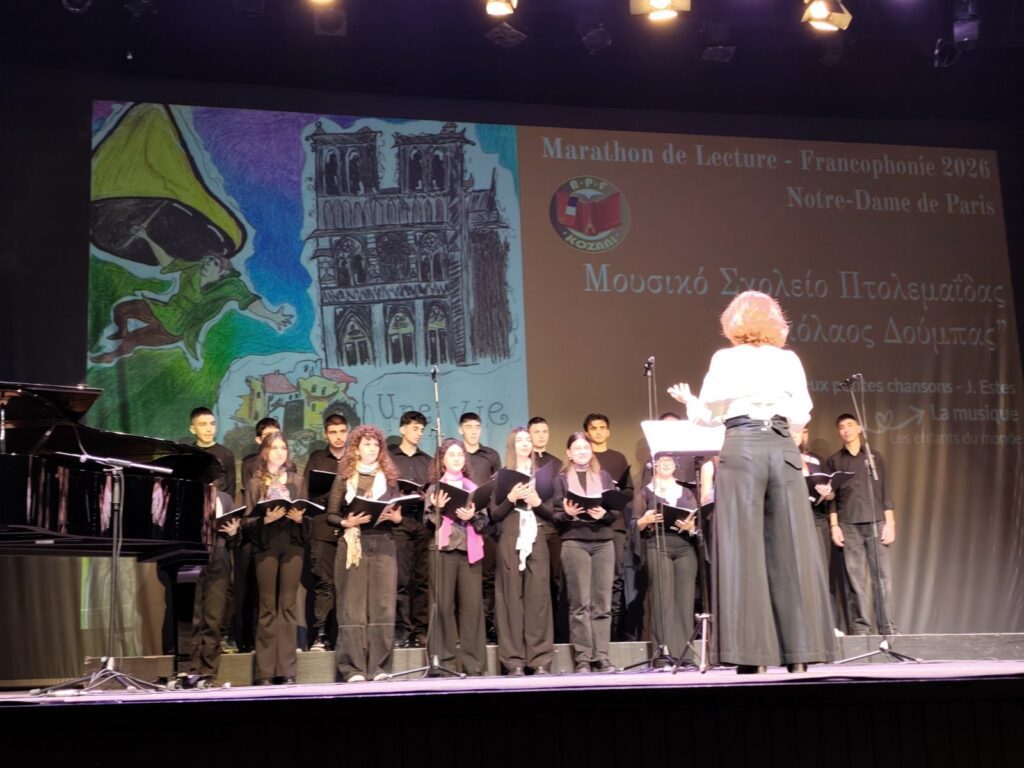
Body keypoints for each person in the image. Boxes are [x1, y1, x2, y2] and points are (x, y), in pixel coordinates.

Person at [669, 290, 834, 674]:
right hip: (782, 446)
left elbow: (710, 414)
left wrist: (691, 404)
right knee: (791, 546)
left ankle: (752, 657)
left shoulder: (725, 358)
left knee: (743, 547)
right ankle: (799, 655)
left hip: (743, 446)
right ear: (776, 321)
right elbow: (801, 413)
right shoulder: (788, 359)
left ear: (733, 322)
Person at [90, 224, 292, 364]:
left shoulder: (230, 286)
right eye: (207, 261)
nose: (206, 265)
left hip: (176, 328)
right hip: (164, 310)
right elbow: (168, 262)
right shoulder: (194, 270)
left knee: (134, 340)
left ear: (222, 272)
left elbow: (250, 302)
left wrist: (273, 316)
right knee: (122, 309)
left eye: (212, 263)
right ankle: (121, 330)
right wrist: (146, 237)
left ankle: (110, 356)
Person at [327, 425, 403, 682]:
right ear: (356, 449)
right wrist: (345, 522)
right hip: (354, 543)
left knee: (383, 606)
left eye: (375, 444)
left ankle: (379, 667)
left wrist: (396, 517)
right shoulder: (344, 477)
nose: (371, 448)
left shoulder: (389, 479)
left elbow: (397, 512)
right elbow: (331, 514)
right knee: (352, 607)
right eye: (366, 444)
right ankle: (353, 668)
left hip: (383, 543)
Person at [242, 431, 307, 685]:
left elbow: (308, 515)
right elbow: (247, 521)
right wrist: (265, 519)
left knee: (288, 605)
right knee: (267, 606)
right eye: (275, 448)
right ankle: (265, 671)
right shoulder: (255, 482)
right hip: (266, 544)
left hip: (292, 544)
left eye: (283, 448)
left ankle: (287, 669)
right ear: (265, 452)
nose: (280, 452)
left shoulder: (297, 480)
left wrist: (300, 519)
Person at [489, 427, 555, 676]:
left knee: (538, 597)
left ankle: (539, 660)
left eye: (528, 439)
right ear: (512, 445)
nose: (525, 443)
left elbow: (553, 514)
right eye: (520, 440)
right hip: (510, 534)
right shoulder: (500, 476)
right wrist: (511, 497)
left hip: (536, 534)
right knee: (510, 598)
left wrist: (537, 503)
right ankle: (513, 660)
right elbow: (494, 514)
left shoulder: (542, 475)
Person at [551, 432, 619, 673]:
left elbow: (616, 511)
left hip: (603, 542)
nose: (582, 452)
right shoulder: (561, 480)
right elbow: (555, 515)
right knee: (580, 603)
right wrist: (568, 514)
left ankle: (602, 656)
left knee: (603, 603)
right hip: (575, 542)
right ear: (569, 453)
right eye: (577, 448)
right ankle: (583, 658)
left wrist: (605, 515)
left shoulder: (603, 476)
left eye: (586, 448)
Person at [825, 413, 898, 636]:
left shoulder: (874, 457)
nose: (846, 430)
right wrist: (834, 526)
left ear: (859, 428)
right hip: (848, 525)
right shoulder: (834, 461)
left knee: (882, 578)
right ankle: (861, 629)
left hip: (876, 522)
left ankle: (888, 628)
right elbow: (831, 499)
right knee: (854, 579)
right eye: (841, 427)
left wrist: (890, 523)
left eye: (850, 425)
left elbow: (885, 492)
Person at [424, 438, 488, 676]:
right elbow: (428, 523)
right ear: (442, 461)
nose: (456, 459)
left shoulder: (473, 488)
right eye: (451, 455)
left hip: (469, 552)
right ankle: (444, 664)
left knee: (472, 609)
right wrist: (439, 508)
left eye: (460, 455)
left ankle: (474, 666)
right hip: (443, 551)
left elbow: (484, 522)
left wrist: (473, 516)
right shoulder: (434, 489)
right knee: (443, 607)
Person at [633, 455, 699, 667]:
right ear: (653, 465)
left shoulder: (686, 492)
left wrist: (691, 527)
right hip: (658, 546)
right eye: (661, 460)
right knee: (663, 601)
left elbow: (696, 521)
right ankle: (664, 653)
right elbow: (635, 524)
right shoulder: (645, 492)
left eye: (670, 460)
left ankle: (685, 655)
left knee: (684, 602)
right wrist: (645, 520)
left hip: (685, 547)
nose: (666, 463)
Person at [583, 413, 634, 640]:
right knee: (591, 581)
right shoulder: (584, 457)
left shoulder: (618, 458)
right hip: (589, 525)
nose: (598, 432)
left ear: (608, 431)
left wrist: (615, 492)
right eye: (594, 428)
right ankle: (591, 634)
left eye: (602, 427)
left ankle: (613, 635)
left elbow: (629, 491)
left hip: (616, 525)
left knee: (615, 579)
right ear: (587, 433)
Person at [232, 416, 281, 653]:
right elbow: (250, 498)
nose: (274, 443)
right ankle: (246, 639)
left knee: (275, 592)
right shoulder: (250, 464)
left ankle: (275, 640)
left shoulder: (288, 466)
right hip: (256, 528)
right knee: (251, 587)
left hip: (280, 532)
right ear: (259, 440)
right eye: (268, 437)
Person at [303, 413, 350, 651]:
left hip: (349, 529)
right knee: (324, 583)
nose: (338, 437)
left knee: (347, 585)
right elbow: (306, 494)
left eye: (342, 431)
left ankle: (344, 635)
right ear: (325, 434)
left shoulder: (355, 459)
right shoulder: (317, 459)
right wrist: (332, 494)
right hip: (323, 528)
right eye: (333, 432)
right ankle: (320, 635)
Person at [184, 491, 241, 688]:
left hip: (220, 556)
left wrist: (233, 533)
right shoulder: (190, 495)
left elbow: (236, 539)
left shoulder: (224, 498)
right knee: (196, 618)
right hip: (195, 555)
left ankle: (209, 672)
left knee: (213, 618)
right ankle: (194, 670)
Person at [388, 410, 433, 648]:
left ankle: (420, 629)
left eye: (421, 430)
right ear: (403, 429)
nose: (419, 433)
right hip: (400, 520)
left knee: (422, 579)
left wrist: (427, 496)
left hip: (422, 521)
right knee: (401, 578)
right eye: (415, 428)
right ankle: (401, 629)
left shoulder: (427, 460)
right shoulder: (390, 457)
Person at [189, 407, 236, 500]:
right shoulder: (188, 454)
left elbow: (231, 487)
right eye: (203, 425)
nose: (209, 429)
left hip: (219, 504)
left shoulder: (226, 454)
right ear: (193, 429)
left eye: (212, 424)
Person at [459, 412, 502, 485]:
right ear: (460, 430)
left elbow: (499, 483)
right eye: (469, 427)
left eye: (477, 427)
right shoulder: (456, 456)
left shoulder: (492, 454)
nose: (474, 432)